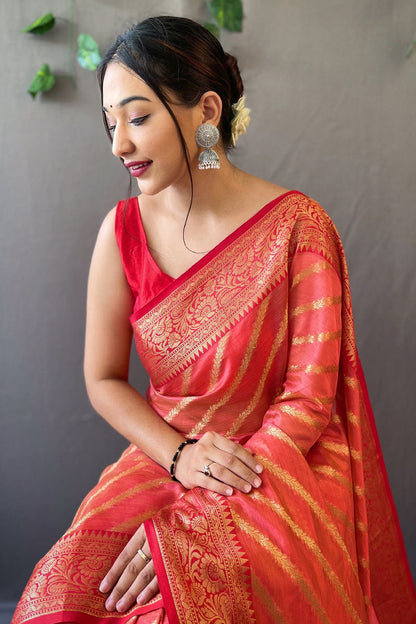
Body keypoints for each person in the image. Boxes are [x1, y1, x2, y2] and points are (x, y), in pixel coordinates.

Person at [12, 15, 416, 624]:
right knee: (63, 600)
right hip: (165, 454)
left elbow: (308, 401)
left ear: (206, 110)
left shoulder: (298, 228)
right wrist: (180, 458)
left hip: (276, 466)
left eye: (138, 118)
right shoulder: (121, 233)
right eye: (110, 123)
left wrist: (203, 513)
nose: (119, 145)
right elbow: (103, 379)